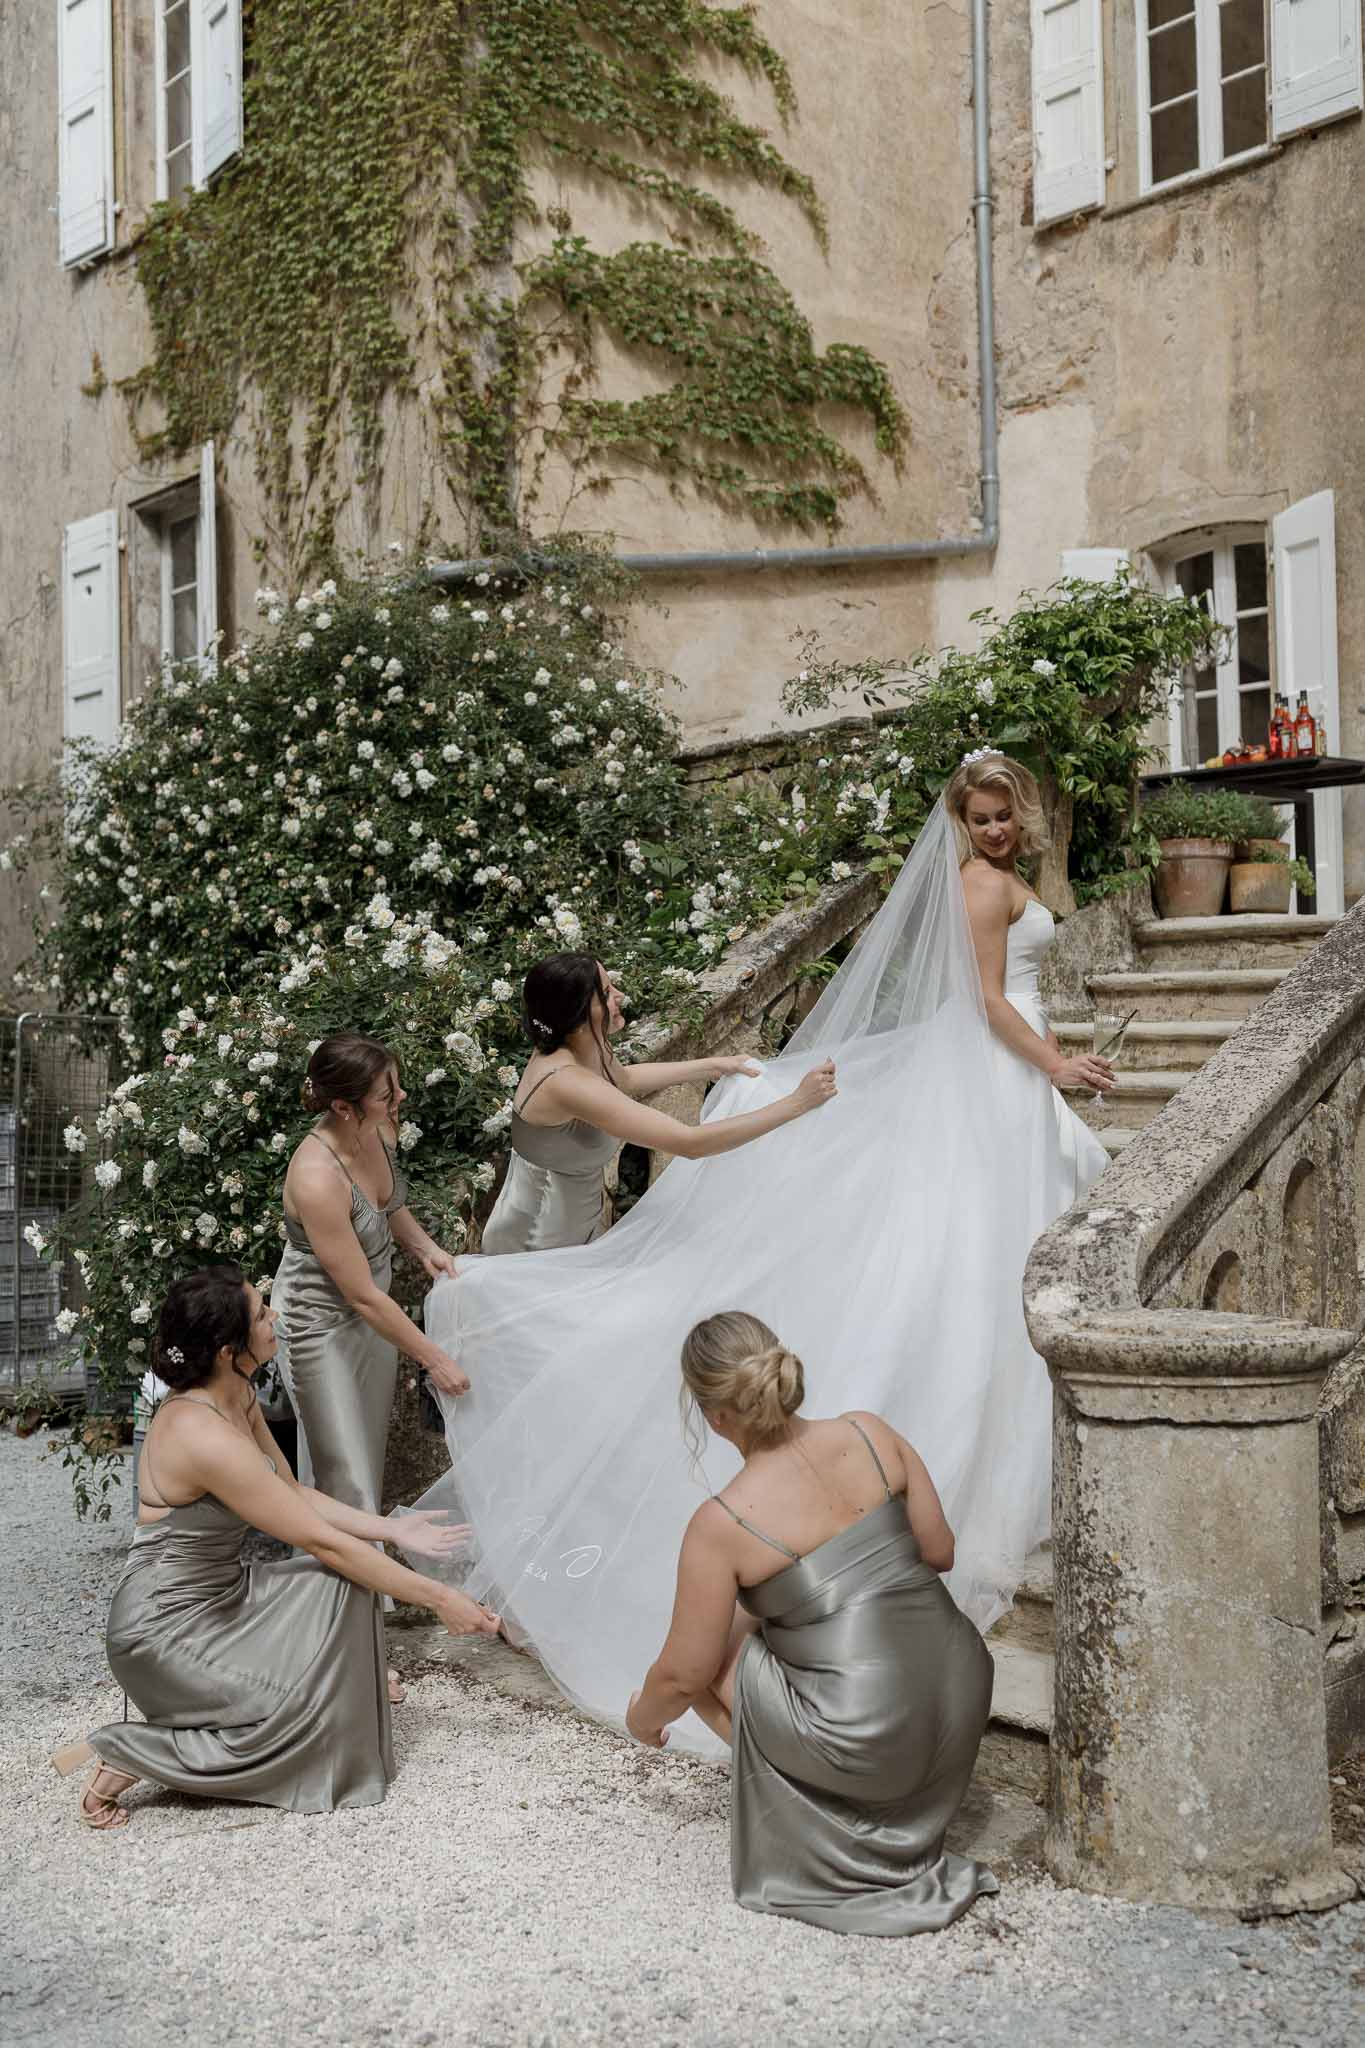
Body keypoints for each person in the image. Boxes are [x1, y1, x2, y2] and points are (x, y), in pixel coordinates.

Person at [397, 752, 1111, 1749]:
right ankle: (512, 1548)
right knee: (567, 1329)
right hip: (538, 1239)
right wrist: (787, 1105)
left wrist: (721, 1059)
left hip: (573, 1216)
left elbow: (639, 1072)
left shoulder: (583, 1056)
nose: (995, 830)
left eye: (1005, 815)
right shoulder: (561, 1080)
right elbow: (681, 1138)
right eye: (981, 816)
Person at [51, 1266, 498, 1832]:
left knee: (351, 1587)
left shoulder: (237, 1394)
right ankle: (135, 1751)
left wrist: (391, 1529)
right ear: (225, 1349)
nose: (276, 1318)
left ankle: (235, 1709)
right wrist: (441, 1598)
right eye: (262, 1314)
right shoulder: (200, 1434)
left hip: (224, 1598)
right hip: (163, 1631)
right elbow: (315, 1539)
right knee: (322, 1721)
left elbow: (293, 1495)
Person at [626, 1313, 997, 1935]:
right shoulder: (869, 1432)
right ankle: (874, 1793)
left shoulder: (722, 1523)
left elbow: (684, 1674)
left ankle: (840, 1823)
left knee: (707, 1658)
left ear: (714, 1416)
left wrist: (642, 1720)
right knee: (761, 1616)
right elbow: (940, 1552)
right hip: (962, 1696)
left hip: (869, 1738)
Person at [274, 1033, 469, 1703]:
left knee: (362, 1472)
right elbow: (356, 1292)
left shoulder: (373, 1133)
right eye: (387, 1093)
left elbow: (389, 1208)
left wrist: (426, 1249)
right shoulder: (315, 1173)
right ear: (342, 1106)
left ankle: (340, 1636)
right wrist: (432, 1356)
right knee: (345, 1486)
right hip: (320, 1329)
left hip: (371, 1320)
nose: (401, 1098)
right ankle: (348, 1660)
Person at [482, 951, 836, 1254]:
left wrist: (711, 1065)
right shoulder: (565, 1082)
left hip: (578, 1228)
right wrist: (796, 1104)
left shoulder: (580, 1046)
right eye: (606, 993)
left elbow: (626, 1080)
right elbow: (690, 1143)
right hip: (537, 1244)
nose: (620, 996)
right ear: (577, 1016)